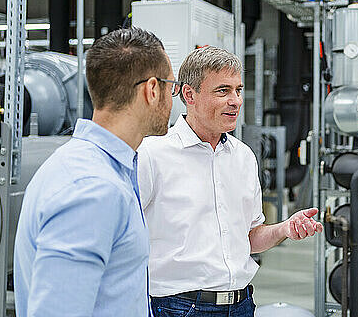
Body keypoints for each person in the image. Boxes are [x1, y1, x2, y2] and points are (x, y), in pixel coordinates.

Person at [137, 45, 323, 317]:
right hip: (179, 307)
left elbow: (249, 238)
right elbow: (122, 238)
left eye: (238, 89)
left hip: (241, 304)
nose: (236, 100)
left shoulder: (243, 157)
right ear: (189, 94)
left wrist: (284, 228)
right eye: (223, 91)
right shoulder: (153, 155)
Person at [14, 27, 180, 317]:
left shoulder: (101, 169)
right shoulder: (93, 189)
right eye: (171, 87)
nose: (173, 98)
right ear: (152, 90)